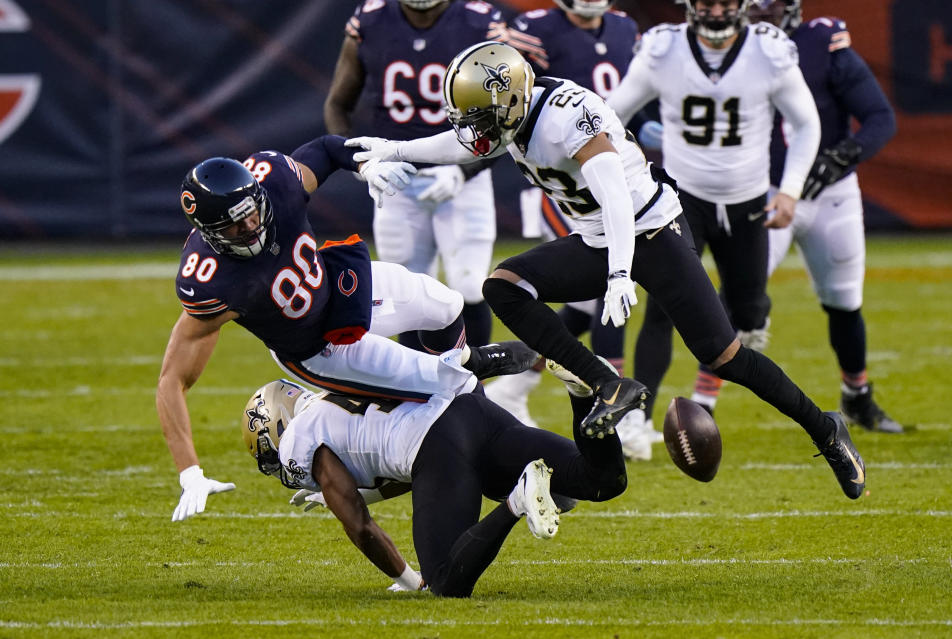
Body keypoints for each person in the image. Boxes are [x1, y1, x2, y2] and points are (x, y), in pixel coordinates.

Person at [348, 40, 866, 500]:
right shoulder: (512, 113)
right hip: (598, 238)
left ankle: (825, 429)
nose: (475, 131)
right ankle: (609, 384)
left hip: (651, 232)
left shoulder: (565, 113)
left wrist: (620, 274)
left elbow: (615, 194)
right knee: (505, 287)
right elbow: (459, 143)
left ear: (510, 100)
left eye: (482, 117)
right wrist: (394, 149)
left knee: (725, 355)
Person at [158, 135, 536, 522]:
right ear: (210, 232)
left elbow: (323, 150)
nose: (251, 226)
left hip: (338, 286)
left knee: (447, 305)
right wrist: (190, 473)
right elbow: (172, 380)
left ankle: (463, 372)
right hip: (319, 349)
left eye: (251, 213)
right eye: (235, 226)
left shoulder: (276, 183)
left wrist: (364, 166)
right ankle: (500, 456)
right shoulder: (211, 281)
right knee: (451, 390)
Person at [605, 0, 821, 431]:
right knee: (663, 307)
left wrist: (791, 191)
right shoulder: (662, 50)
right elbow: (609, 116)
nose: (717, 12)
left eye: (726, 3)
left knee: (748, 310)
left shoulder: (769, 50)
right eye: (708, 3)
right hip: (681, 199)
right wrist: (624, 172)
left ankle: (728, 354)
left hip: (749, 201)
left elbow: (808, 123)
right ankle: (637, 422)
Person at [240, 362, 627, 597]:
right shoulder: (332, 392)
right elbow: (395, 462)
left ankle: (518, 498)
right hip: (472, 411)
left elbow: (360, 528)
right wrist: (366, 493)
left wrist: (410, 580)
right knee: (601, 479)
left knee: (445, 581)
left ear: (277, 426)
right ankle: (581, 395)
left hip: (439, 445)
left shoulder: (300, 438)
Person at [481, 0, 660, 460]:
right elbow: (509, 100)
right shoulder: (534, 29)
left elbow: (623, 105)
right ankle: (622, 405)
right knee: (605, 290)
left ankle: (516, 386)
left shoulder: (622, 28)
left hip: (603, 167)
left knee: (582, 308)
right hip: (565, 185)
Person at [715, 0, 900, 433]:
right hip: (764, 189)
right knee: (738, 295)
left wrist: (843, 157)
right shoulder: (717, 49)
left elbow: (879, 116)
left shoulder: (820, 41)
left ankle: (857, 394)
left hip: (828, 191)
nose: (761, 14)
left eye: (770, 5)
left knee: (843, 299)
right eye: (753, 6)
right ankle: (703, 401)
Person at [323, 0, 508, 349]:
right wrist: (364, 163)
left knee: (470, 285)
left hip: (463, 174)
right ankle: (416, 392)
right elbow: (337, 104)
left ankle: (474, 388)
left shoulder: (479, 22)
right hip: (397, 179)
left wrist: (463, 171)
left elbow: (504, 114)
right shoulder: (371, 19)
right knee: (407, 293)